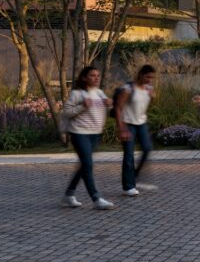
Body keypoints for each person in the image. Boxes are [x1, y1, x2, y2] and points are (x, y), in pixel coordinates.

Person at [60, 66, 114, 210]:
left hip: (95, 134)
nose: (96, 78)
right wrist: (82, 106)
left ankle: (69, 195)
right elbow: (67, 112)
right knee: (88, 165)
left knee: (85, 165)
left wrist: (109, 105)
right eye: (92, 75)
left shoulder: (99, 93)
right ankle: (96, 198)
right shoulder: (77, 94)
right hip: (79, 133)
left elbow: (104, 110)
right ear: (84, 78)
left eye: (98, 75)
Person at [115, 65, 157, 197]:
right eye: (147, 77)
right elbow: (118, 108)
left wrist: (152, 97)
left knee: (147, 149)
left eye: (152, 78)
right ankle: (128, 187)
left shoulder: (148, 88)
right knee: (129, 155)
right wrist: (122, 128)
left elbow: (145, 104)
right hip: (128, 124)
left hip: (141, 123)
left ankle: (133, 175)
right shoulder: (128, 88)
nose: (149, 80)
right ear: (141, 75)